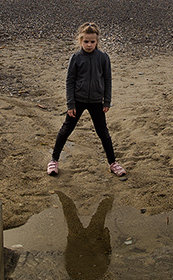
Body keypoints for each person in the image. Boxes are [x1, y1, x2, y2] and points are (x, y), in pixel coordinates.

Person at [47, 22, 127, 178]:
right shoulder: (76, 58)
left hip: (97, 101)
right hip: (78, 101)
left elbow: (108, 80)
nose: (89, 44)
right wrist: (70, 104)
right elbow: (69, 81)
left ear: (97, 42)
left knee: (103, 133)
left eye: (92, 41)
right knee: (65, 130)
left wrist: (106, 101)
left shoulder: (103, 58)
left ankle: (113, 163)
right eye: (86, 41)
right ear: (80, 41)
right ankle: (54, 160)